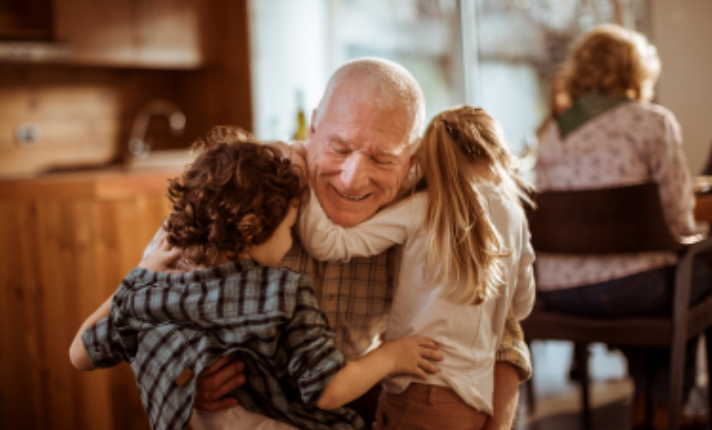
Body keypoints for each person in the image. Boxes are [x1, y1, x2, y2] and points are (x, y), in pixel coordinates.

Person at [159, 58, 532, 430]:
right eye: (339, 148)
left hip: (356, 390)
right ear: (315, 126)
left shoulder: (429, 205)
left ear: (412, 158)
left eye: (383, 159)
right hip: (243, 404)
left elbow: (502, 333)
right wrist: (184, 376)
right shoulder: (256, 181)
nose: (353, 180)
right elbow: (152, 299)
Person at [69, 130, 444, 430]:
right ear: (252, 228)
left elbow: (80, 354)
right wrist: (392, 356)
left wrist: (139, 279)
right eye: (289, 228)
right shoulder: (283, 293)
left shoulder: (155, 287)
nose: (291, 239)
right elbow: (327, 390)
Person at [298, 106, 536, 430]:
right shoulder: (515, 216)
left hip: (419, 389)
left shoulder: (421, 207)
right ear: (497, 153)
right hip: (476, 397)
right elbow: (521, 306)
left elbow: (326, 243)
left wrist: (301, 171)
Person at [534, 24, 711, 430]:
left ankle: (648, 401)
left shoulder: (552, 133)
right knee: (692, 275)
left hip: (558, 292)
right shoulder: (652, 121)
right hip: (630, 291)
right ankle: (667, 405)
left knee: (662, 280)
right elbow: (677, 219)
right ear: (636, 71)